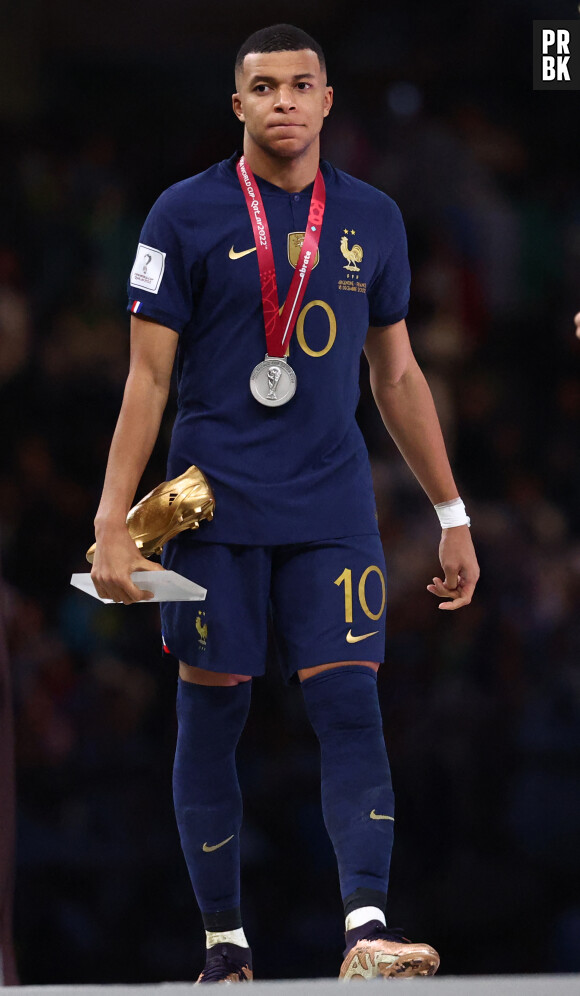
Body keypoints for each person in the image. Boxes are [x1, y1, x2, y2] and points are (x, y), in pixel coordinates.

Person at [91, 24, 479, 983]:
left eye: (301, 85)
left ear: (329, 99)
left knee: (351, 707)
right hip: (210, 511)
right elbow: (146, 382)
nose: (284, 103)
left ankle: (366, 932)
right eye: (263, 88)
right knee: (212, 718)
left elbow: (395, 377)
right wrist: (110, 516)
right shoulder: (179, 216)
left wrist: (452, 512)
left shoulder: (375, 218)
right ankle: (225, 949)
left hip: (334, 505)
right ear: (237, 105)